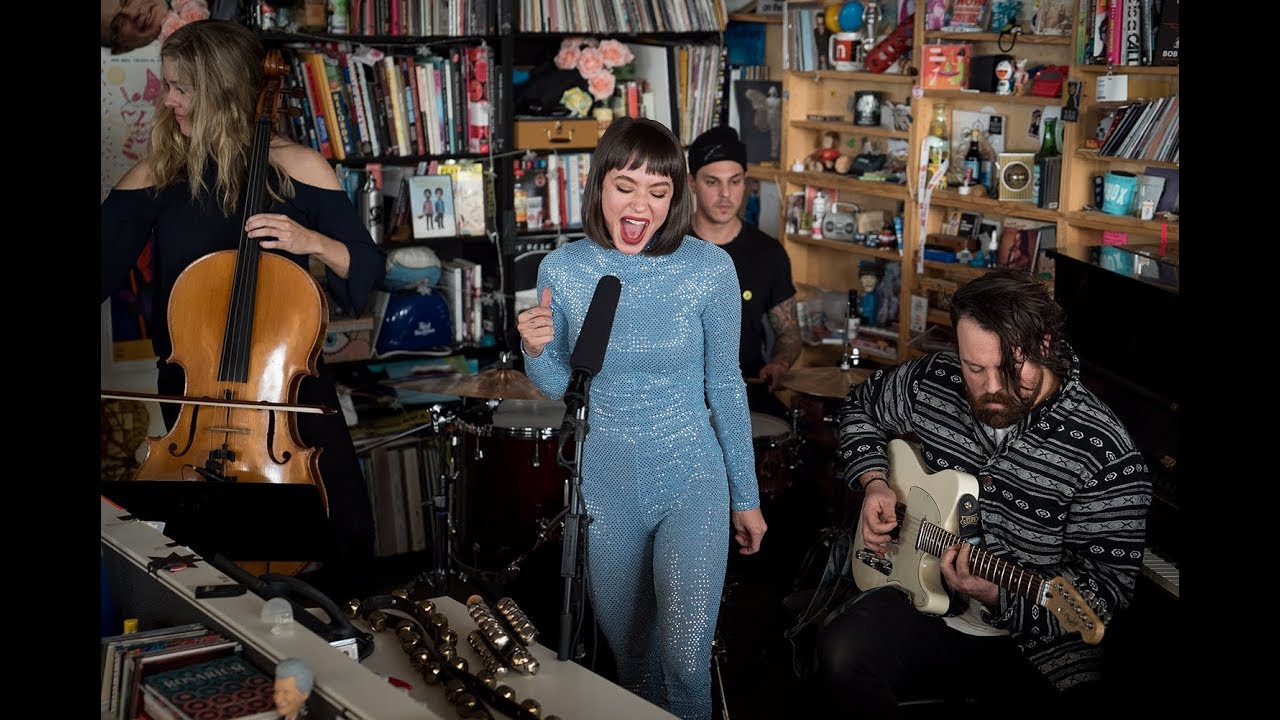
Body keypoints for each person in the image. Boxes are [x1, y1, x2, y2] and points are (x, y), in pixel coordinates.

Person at [99, 19, 386, 600]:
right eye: (167, 86)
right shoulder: (161, 173)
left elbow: (368, 268)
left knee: (343, 541)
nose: (168, 99)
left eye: (181, 87)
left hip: (291, 404)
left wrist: (313, 244)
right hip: (194, 403)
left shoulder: (299, 167)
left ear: (222, 87)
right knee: (194, 560)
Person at [516, 116, 767, 720]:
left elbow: (725, 383)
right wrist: (535, 351)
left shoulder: (708, 268)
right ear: (599, 184)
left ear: (676, 197)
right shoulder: (565, 271)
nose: (642, 205)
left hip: (692, 479)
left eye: (659, 192)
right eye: (626, 186)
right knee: (633, 666)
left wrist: (746, 496)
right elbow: (564, 389)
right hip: (608, 483)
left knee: (683, 662)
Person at [814, 269, 1152, 715]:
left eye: (1008, 368)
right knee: (839, 653)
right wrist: (874, 481)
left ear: (1045, 345)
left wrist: (997, 593)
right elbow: (860, 406)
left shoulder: (1106, 453)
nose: (991, 386)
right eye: (975, 368)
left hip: (1036, 648)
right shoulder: (933, 381)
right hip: (927, 604)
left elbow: (1104, 593)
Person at [687, 125, 801, 419]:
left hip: (747, 395)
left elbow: (788, 333)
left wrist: (779, 364)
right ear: (692, 183)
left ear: (746, 183)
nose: (725, 194)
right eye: (712, 182)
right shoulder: (667, 250)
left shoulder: (769, 253)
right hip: (679, 401)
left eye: (734, 181)